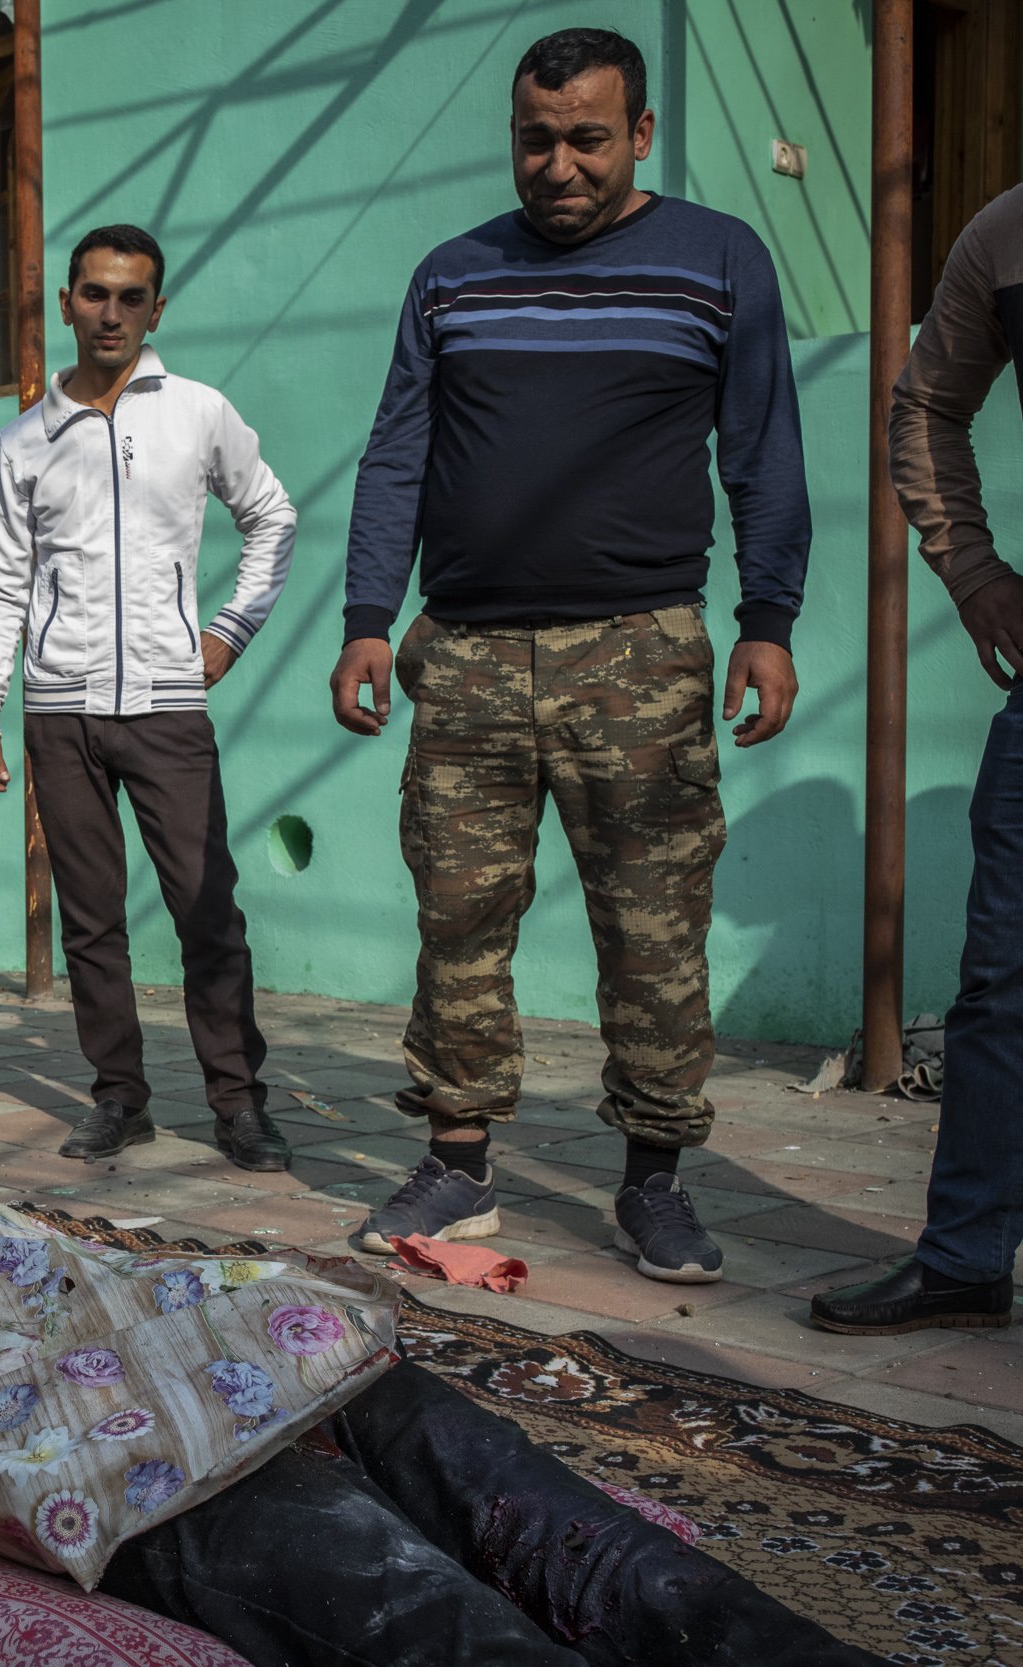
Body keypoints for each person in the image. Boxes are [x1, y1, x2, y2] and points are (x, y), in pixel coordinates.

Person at [333, 28, 812, 1283]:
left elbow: (760, 450)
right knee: (458, 917)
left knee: (653, 925)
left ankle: (653, 1180)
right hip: (469, 653)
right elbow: (396, 454)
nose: (558, 165)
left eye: (587, 139)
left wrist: (769, 621)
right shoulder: (452, 275)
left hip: (639, 654)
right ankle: (458, 1158)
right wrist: (365, 618)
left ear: (639, 134)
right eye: (535, 139)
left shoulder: (716, 260)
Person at [0, 1244, 887, 1666]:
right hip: (124, 1457)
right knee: (432, 1615)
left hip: (260, 1363)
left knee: (582, 1536)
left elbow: (26, 1254)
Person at [0, 224, 298, 1170]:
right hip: (60, 709)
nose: (111, 312)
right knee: (90, 917)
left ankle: (238, 1102)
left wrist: (230, 631)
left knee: (205, 906)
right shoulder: (27, 439)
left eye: (132, 296)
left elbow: (272, 515)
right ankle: (120, 1095)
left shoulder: (196, 412)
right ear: (66, 302)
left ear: (157, 309)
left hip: (165, 703)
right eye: (95, 293)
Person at [812, 185, 1023, 1335]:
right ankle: (965, 1257)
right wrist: (974, 566)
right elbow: (925, 405)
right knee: (1001, 986)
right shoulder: (1005, 234)